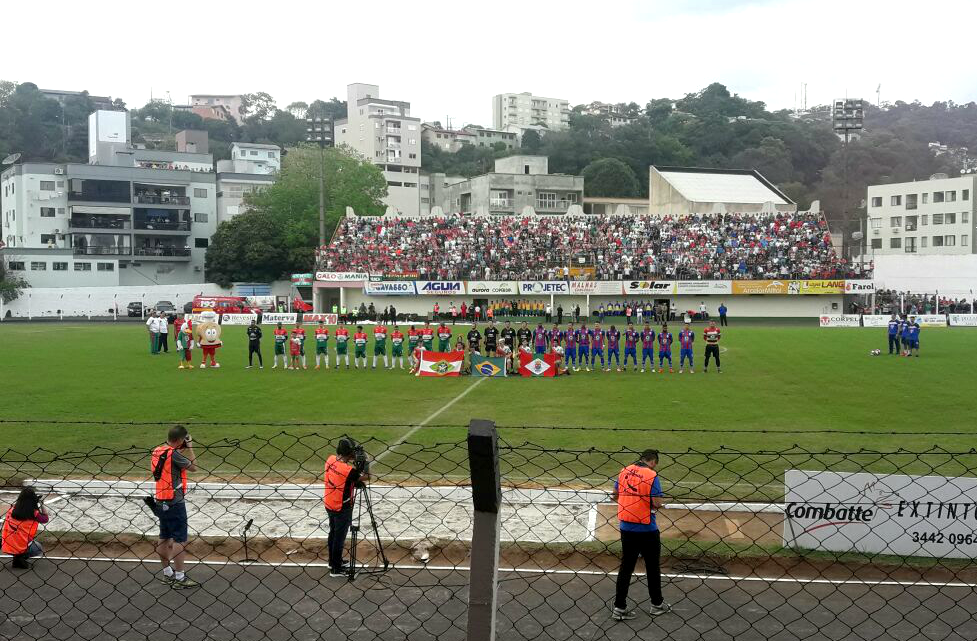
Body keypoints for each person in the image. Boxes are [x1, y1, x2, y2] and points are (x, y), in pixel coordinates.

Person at [612, 449, 670, 621]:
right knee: (652, 567)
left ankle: (619, 607)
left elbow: (615, 495)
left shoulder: (624, 471)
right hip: (647, 529)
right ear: (653, 462)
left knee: (626, 568)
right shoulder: (651, 475)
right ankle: (656, 605)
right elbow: (657, 502)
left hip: (626, 527)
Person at [145, 425, 199, 589]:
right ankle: (180, 577)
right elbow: (194, 467)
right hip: (175, 502)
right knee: (179, 539)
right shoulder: (174, 454)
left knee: (164, 537)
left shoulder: (158, 451)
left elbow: (171, 459)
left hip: (161, 499)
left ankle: (168, 573)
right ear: (181, 440)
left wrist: (180, 448)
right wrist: (190, 449)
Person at [323, 438, 369, 578]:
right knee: (339, 538)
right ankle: (336, 569)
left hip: (330, 503)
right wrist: (366, 462)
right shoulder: (347, 470)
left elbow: (347, 480)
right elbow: (366, 477)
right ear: (349, 453)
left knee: (333, 534)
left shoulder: (330, 459)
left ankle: (333, 562)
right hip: (341, 507)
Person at [2, 486, 50, 569]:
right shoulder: (34, 513)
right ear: (33, 499)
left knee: (19, 540)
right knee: (38, 547)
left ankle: (17, 557)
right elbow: (45, 518)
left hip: (8, 544)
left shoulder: (12, 509)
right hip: (22, 545)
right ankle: (21, 557)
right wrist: (41, 503)